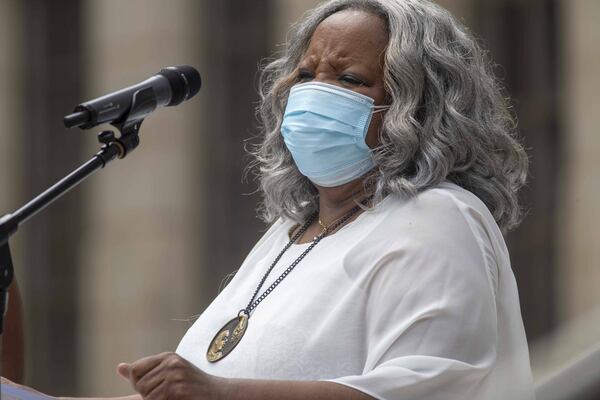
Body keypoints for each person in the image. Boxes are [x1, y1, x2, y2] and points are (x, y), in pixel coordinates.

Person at [2, 0, 536, 399]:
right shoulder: (288, 235)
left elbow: (432, 387)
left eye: (349, 79)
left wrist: (222, 393)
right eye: (305, 75)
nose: (312, 93)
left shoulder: (436, 216)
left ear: (419, 106)